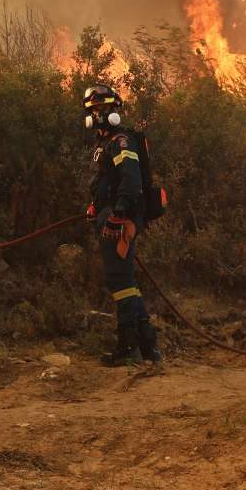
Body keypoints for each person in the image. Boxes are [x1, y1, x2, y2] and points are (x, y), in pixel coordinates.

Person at [82, 84, 162, 370]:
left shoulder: (121, 141)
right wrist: (96, 205)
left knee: (121, 282)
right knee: (125, 281)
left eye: (102, 109)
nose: (98, 115)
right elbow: (108, 181)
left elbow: (131, 182)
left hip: (121, 219)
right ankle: (148, 347)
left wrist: (118, 215)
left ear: (114, 110)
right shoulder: (104, 143)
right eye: (93, 110)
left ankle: (128, 349)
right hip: (110, 213)